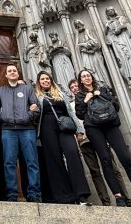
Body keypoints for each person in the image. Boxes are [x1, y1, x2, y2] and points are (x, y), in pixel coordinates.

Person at [75, 69, 131, 209]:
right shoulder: (80, 95)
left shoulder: (102, 89)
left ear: (92, 77)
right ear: (80, 80)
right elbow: (79, 114)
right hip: (93, 128)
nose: (86, 78)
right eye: (83, 76)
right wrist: (86, 99)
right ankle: (118, 197)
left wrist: (102, 95)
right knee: (105, 160)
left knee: (126, 158)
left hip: (111, 126)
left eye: (88, 75)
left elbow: (116, 106)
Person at [68, 78, 131, 206]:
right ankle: (106, 201)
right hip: (85, 141)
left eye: (76, 86)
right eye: (72, 87)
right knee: (95, 171)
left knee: (113, 168)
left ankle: (125, 199)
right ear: (70, 91)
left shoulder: (95, 96)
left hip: (101, 136)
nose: (75, 88)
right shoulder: (71, 105)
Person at [34, 71, 90, 205]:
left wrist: (79, 130)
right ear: (39, 82)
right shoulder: (37, 96)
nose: (45, 81)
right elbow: (35, 115)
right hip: (47, 129)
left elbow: (71, 112)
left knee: (72, 154)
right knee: (54, 160)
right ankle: (64, 197)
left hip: (64, 127)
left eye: (47, 78)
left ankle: (81, 194)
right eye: (42, 79)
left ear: (51, 80)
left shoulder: (60, 93)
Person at [0, 64, 42, 202]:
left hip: (27, 130)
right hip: (8, 130)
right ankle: (12, 195)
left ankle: (34, 194)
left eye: (14, 70)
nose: (12, 72)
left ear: (18, 74)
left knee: (32, 162)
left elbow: (36, 108)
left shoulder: (28, 89)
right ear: (6, 75)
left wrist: (26, 117)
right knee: (9, 163)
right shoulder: (0, 91)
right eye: (9, 71)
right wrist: (3, 116)